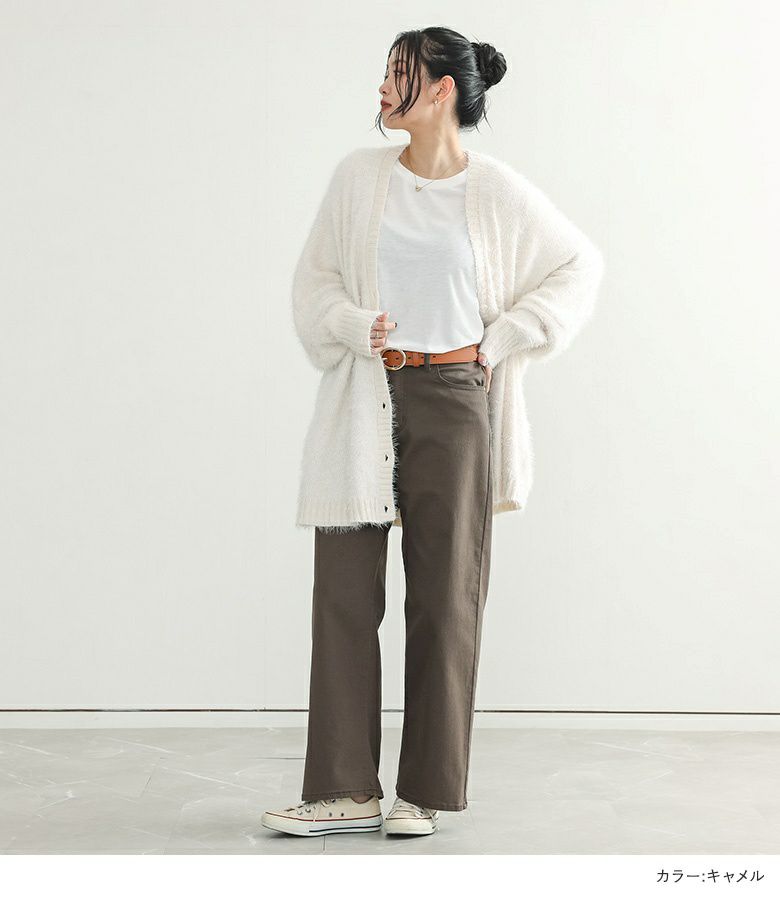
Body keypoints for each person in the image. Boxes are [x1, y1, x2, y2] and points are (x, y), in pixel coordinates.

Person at [262, 26, 604, 839]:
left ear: (443, 88)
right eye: (384, 72)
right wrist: (352, 324)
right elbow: (313, 285)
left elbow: (578, 265)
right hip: (364, 393)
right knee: (344, 595)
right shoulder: (358, 178)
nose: (382, 87)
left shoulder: (495, 190)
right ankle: (344, 789)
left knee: (446, 597)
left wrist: (507, 335)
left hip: (455, 396)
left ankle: (424, 791)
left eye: (399, 73)